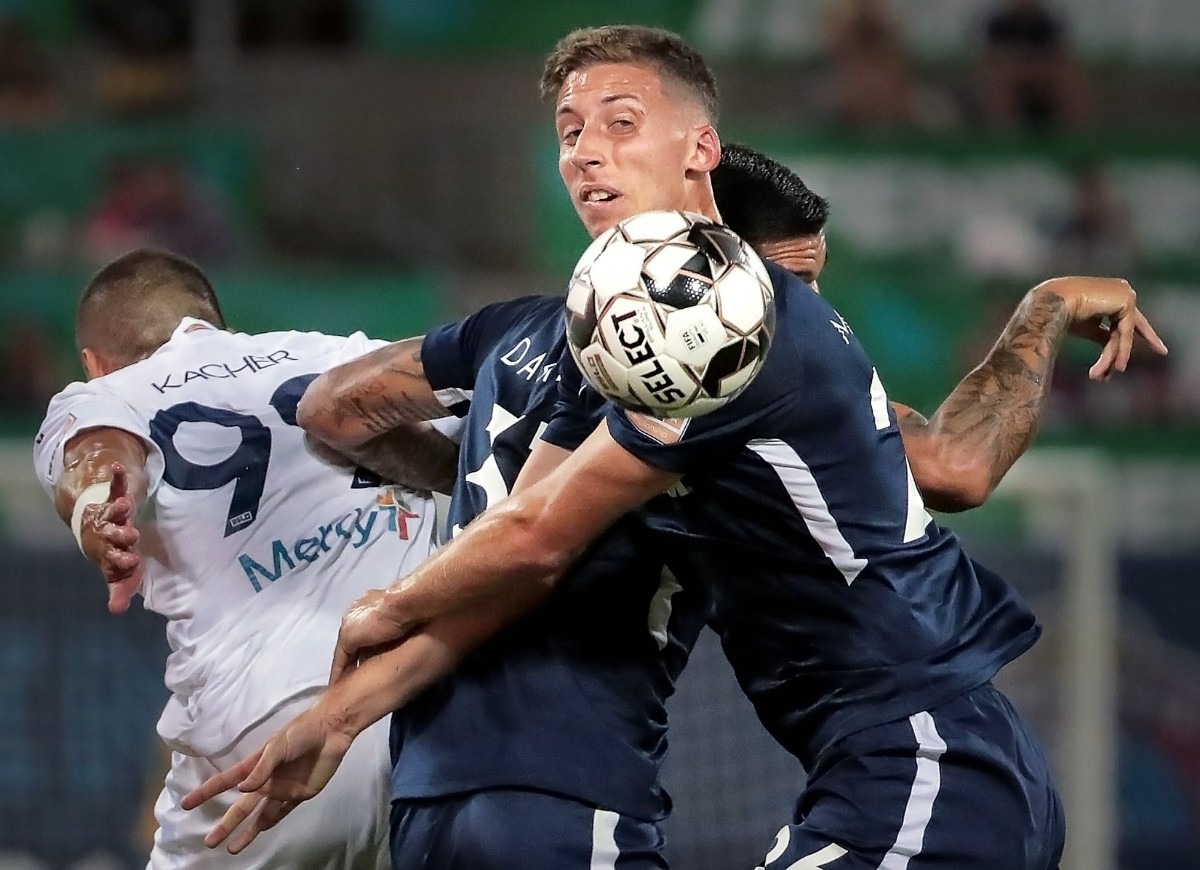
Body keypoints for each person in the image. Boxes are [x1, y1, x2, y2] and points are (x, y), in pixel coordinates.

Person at [187, 26, 1166, 870]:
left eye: (619, 122)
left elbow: (526, 538)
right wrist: (346, 711)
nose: (583, 153)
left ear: (702, 157)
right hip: (910, 764)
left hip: (923, 762)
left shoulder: (727, 326)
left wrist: (378, 613)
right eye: (571, 132)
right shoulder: (644, 352)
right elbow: (531, 545)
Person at [32, 248, 454, 868]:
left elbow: (95, 455)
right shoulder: (345, 352)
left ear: (94, 363)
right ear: (217, 322)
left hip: (276, 742)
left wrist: (99, 509)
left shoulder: (109, 394)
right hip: (446, 723)